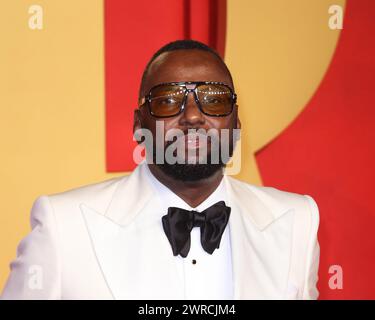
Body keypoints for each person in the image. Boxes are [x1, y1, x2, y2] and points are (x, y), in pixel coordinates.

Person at [1, 40, 320, 300]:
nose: (193, 116)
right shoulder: (64, 227)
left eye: (214, 100)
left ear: (235, 123)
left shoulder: (296, 222)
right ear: (139, 125)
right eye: (168, 101)